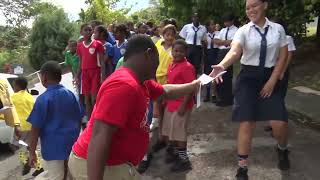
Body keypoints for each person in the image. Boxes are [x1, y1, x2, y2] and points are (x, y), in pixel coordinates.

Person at [68, 35, 200, 180]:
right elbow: (100, 134)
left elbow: (165, 91)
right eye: (157, 59)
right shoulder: (124, 85)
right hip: (99, 166)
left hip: (117, 164)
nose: (158, 64)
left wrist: (194, 85)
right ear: (149, 54)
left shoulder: (141, 81)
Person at [209, 0, 290, 179]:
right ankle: (242, 168)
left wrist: (273, 80)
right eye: (247, 8)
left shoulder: (278, 29)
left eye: (254, 5)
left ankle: (282, 149)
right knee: (247, 122)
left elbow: (283, 55)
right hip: (248, 79)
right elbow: (235, 51)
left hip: (270, 76)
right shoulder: (243, 30)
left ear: (265, 5)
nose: (251, 10)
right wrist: (222, 66)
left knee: (279, 124)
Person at [27, 61, 83, 180]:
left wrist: (32, 153)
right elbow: (80, 118)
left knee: (56, 177)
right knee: (72, 176)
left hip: (53, 151)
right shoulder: (71, 95)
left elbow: (35, 129)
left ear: (44, 77)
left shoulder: (43, 99)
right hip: (73, 147)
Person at [138, 24, 177, 173]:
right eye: (166, 34)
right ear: (162, 34)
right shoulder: (157, 46)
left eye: (172, 34)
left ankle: (168, 139)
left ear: (174, 35)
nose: (169, 36)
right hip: (156, 80)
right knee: (158, 110)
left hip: (169, 82)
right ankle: (161, 137)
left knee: (169, 111)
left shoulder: (176, 48)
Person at [162, 39, 196, 172]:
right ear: (172, 51)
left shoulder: (187, 67)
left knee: (180, 132)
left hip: (182, 104)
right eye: (175, 51)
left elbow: (190, 88)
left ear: (186, 52)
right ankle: (176, 154)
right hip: (171, 103)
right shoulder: (171, 65)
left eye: (181, 51)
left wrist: (183, 105)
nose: (177, 53)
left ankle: (184, 160)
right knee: (172, 131)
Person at [11, 77, 44, 177]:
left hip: (21, 126)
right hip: (32, 125)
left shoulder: (13, 97)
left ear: (17, 86)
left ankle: (26, 162)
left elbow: (9, 109)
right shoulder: (29, 96)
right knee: (31, 146)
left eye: (14, 85)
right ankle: (39, 167)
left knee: (16, 145)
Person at [77, 23, 105, 119]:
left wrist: (103, 76)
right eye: (86, 30)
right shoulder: (79, 46)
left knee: (94, 99)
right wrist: (77, 76)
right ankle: (90, 121)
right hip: (85, 74)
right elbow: (80, 62)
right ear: (81, 32)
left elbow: (102, 61)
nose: (88, 31)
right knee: (87, 99)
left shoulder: (98, 44)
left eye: (90, 30)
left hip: (95, 73)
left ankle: (98, 119)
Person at [213, 13, 239, 107]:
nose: (225, 23)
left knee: (227, 75)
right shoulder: (223, 30)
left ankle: (227, 98)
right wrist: (225, 42)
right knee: (219, 74)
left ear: (232, 21)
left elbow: (234, 42)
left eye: (227, 21)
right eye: (224, 21)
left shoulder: (236, 30)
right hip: (220, 52)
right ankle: (220, 97)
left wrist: (222, 42)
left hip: (229, 52)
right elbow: (215, 41)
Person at [203, 20, 220, 102]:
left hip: (216, 53)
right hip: (208, 54)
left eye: (213, 24)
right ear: (208, 27)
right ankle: (207, 94)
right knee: (207, 75)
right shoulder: (205, 35)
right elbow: (203, 47)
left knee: (215, 74)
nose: (213, 26)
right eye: (211, 24)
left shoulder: (218, 33)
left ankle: (214, 94)